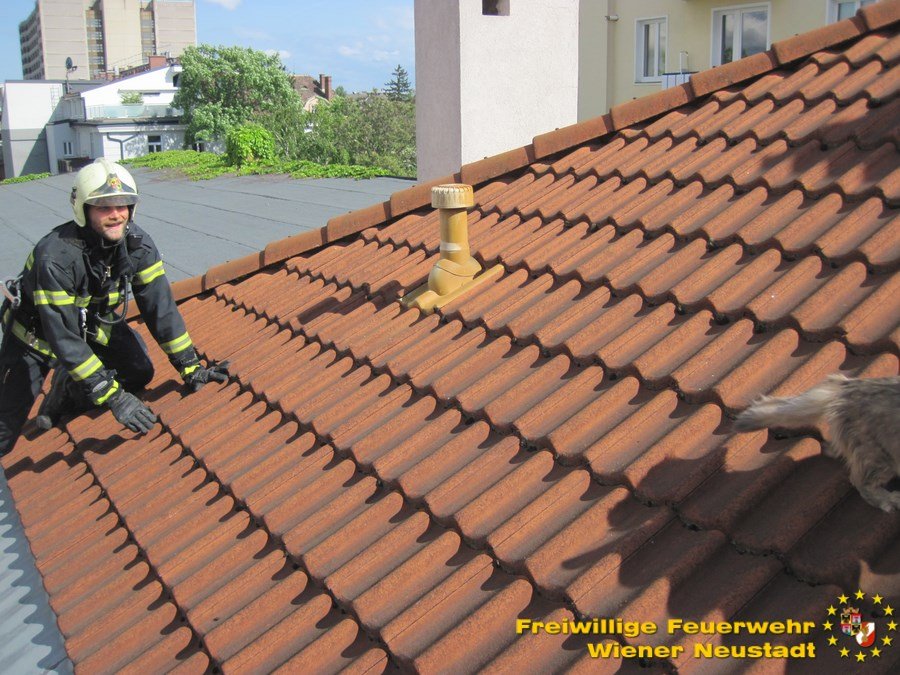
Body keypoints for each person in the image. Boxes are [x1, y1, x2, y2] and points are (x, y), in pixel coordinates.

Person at [0, 158, 228, 457]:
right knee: (4, 433)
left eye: (123, 206)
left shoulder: (138, 245)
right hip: (35, 339)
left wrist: (191, 367)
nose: (116, 214)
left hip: (92, 325)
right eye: (103, 207)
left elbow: (160, 308)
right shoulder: (55, 258)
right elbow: (63, 337)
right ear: (83, 209)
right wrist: (114, 397)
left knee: (138, 372)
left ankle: (66, 390)